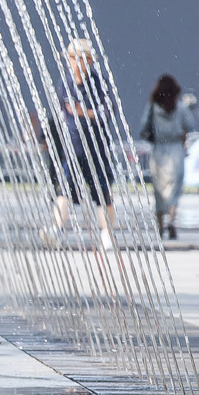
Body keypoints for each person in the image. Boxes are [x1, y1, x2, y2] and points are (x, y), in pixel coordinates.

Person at [57, 37, 116, 246]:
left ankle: (107, 233)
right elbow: (61, 114)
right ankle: (55, 229)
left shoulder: (98, 84)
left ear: (88, 61)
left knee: (102, 192)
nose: (73, 63)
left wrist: (86, 113)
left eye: (77, 59)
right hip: (73, 149)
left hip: (96, 148)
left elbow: (108, 112)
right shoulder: (66, 83)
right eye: (71, 59)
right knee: (65, 190)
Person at [138, 73, 196, 239]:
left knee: (159, 189)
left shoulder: (152, 107)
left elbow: (143, 127)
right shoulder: (180, 108)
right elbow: (190, 125)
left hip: (158, 150)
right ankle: (172, 220)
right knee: (174, 189)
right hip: (176, 149)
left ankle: (160, 225)